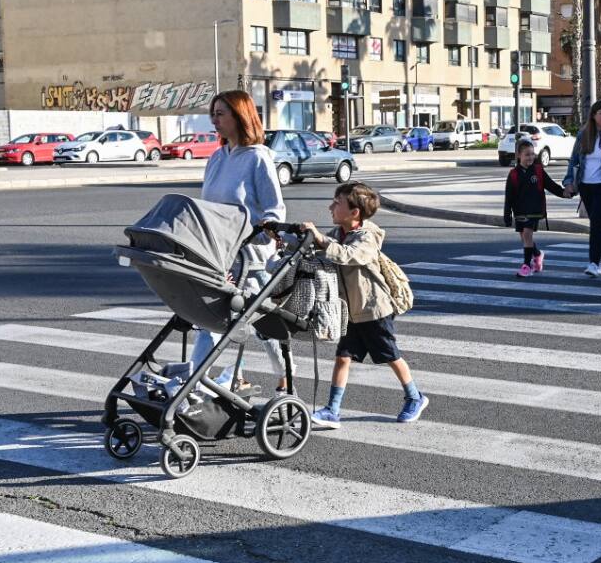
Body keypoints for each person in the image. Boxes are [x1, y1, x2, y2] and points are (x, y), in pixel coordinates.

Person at [151, 90, 290, 400]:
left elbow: (274, 210)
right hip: (217, 252)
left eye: (220, 114)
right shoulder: (216, 157)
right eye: (213, 113)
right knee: (209, 318)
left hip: (249, 254)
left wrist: (264, 230)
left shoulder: (258, 157)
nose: (214, 120)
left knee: (263, 320)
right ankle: (197, 383)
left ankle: (283, 377)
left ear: (240, 117)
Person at [303, 182, 427, 428]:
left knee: (390, 356)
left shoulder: (366, 237)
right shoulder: (339, 233)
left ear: (354, 212)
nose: (331, 207)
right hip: (350, 311)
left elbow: (350, 255)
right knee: (343, 357)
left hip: (374, 309)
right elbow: (325, 250)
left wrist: (321, 241)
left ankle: (415, 397)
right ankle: (333, 410)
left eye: (337, 203)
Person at [563, 100, 601, 277]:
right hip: (585, 186)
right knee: (599, 223)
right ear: (593, 115)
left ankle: (593, 262)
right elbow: (574, 160)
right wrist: (569, 182)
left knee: (595, 222)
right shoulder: (584, 136)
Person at [503, 138, 569, 278]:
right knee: (524, 237)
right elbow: (509, 196)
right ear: (518, 156)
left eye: (532, 154)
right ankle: (538, 255)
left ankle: (527, 266)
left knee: (527, 234)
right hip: (519, 211)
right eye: (527, 154)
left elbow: (551, 186)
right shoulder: (513, 174)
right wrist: (507, 214)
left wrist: (565, 193)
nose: (531, 157)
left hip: (534, 210)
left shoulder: (538, 171)